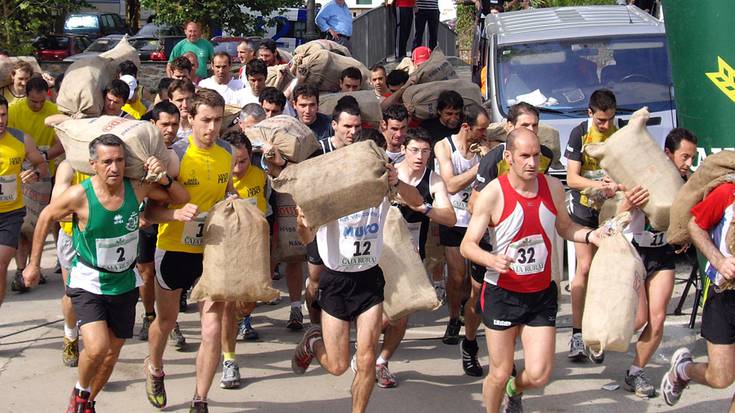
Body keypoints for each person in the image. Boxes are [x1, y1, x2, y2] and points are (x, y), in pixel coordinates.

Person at [22, 134, 187, 413]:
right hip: (89, 281)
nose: (114, 167)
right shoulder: (80, 195)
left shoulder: (135, 189)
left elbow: (181, 198)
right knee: (97, 348)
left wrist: (162, 178)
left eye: (120, 160)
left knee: (111, 354)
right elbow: (47, 216)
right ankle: (80, 392)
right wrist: (33, 264)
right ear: (93, 164)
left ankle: (87, 402)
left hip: (124, 282)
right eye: (107, 161)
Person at [461, 128, 602, 413]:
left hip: (540, 294)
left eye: (536, 155)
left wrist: (590, 235)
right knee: (499, 373)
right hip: (503, 293)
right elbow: (468, 245)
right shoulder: (493, 193)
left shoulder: (552, 187)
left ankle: (515, 391)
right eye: (524, 156)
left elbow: (565, 227)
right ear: (509, 157)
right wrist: (490, 259)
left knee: (538, 375)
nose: (531, 162)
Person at [291, 152, 423, 413]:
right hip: (336, 282)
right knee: (338, 366)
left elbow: (418, 201)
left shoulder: (382, 191)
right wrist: (302, 222)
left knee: (366, 360)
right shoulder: (331, 195)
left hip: (368, 279)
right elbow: (306, 238)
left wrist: (397, 182)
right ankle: (312, 342)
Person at [142, 89, 235, 412]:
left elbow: (228, 195)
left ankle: (200, 398)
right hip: (174, 248)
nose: (212, 128)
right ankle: (154, 366)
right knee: (165, 322)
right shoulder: (175, 156)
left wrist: (234, 206)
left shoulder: (228, 153)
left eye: (218, 120)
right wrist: (174, 214)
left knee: (211, 329)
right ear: (190, 119)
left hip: (213, 251)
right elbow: (148, 215)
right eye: (205, 120)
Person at [462, 102, 555, 378]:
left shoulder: (544, 156)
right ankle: (469, 343)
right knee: (477, 298)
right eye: (525, 125)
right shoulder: (493, 160)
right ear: (510, 128)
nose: (532, 130)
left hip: (527, 249)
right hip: (491, 244)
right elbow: (473, 206)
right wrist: (500, 218)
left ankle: (508, 366)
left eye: (535, 126)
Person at [611, 128, 697, 398]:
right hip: (635, 250)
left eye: (692, 157)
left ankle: (636, 372)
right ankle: (599, 333)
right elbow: (616, 216)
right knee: (637, 320)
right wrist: (626, 204)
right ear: (667, 154)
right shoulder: (642, 176)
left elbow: (692, 219)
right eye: (684, 157)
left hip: (662, 254)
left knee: (657, 319)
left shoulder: (689, 182)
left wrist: (686, 236)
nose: (688, 163)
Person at [369, 127, 456, 388]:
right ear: (403, 151)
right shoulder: (388, 172)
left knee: (401, 313)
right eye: (414, 150)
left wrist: (423, 207)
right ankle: (365, 356)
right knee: (374, 313)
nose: (420, 156)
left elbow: (450, 218)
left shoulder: (434, 180)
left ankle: (381, 362)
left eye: (425, 151)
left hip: (411, 254)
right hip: (379, 250)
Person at [660, 154, 735, 408]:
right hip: (724, 295)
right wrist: (719, 261)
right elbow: (695, 226)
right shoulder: (727, 192)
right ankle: (683, 370)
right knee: (721, 377)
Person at [565, 89, 621, 363]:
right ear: (590, 114)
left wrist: (617, 186)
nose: (606, 125)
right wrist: (599, 186)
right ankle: (576, 333)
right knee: (585, 268)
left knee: (604, 270)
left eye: (610, 119)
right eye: (601, 120)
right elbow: (572, 179)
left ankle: (596, 332)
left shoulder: (619, 132)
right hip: (584, 206)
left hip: (610, 210)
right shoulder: (579, 133)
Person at [218, 130, 273, 389]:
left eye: (242, 161)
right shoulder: (219, 180)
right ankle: (229, 360)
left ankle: (241, 318)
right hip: (225, 249)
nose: (237, 168)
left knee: (248, 303)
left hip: (254, 247)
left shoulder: (260, 176)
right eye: (233, 162)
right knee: (228, 305)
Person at [434, 105, 489, 345]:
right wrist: (481, 167)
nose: (484, 133)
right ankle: (454, 317)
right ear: (466, 127)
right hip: (454, 217)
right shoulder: (444, 146)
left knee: (474, 279)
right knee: (457, 275)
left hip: (478, 218)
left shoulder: (486, 147)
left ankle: (470, 318)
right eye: (481, 129)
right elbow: (451, 184)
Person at [7, 76, 63, 291]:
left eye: (41, 102)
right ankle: (22, 271)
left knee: (43, 224)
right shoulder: (14, 110)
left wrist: (44, 155)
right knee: (23, 226)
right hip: (18, 172)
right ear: (25, 95)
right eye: (33, 102)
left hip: (47, 174)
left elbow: (61, 144)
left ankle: (35, 266)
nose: (38, 106)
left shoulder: (55, 111)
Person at [137, 101, 183, 343]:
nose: (170, 129)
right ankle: (148, 314)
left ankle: (170, 321)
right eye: (165, 124)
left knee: (168, 276)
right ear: (153, 124)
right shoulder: (138, 150)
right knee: (146, 272)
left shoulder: (180, 153)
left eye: (175, 124)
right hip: (144, 221)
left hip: (171, 221)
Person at [0, 95, 48, 308]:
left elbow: (42, 165)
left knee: (0, 265)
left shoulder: (21, 139)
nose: (0, 120)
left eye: (3, 115)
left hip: (10, 214)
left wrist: (35, 174)